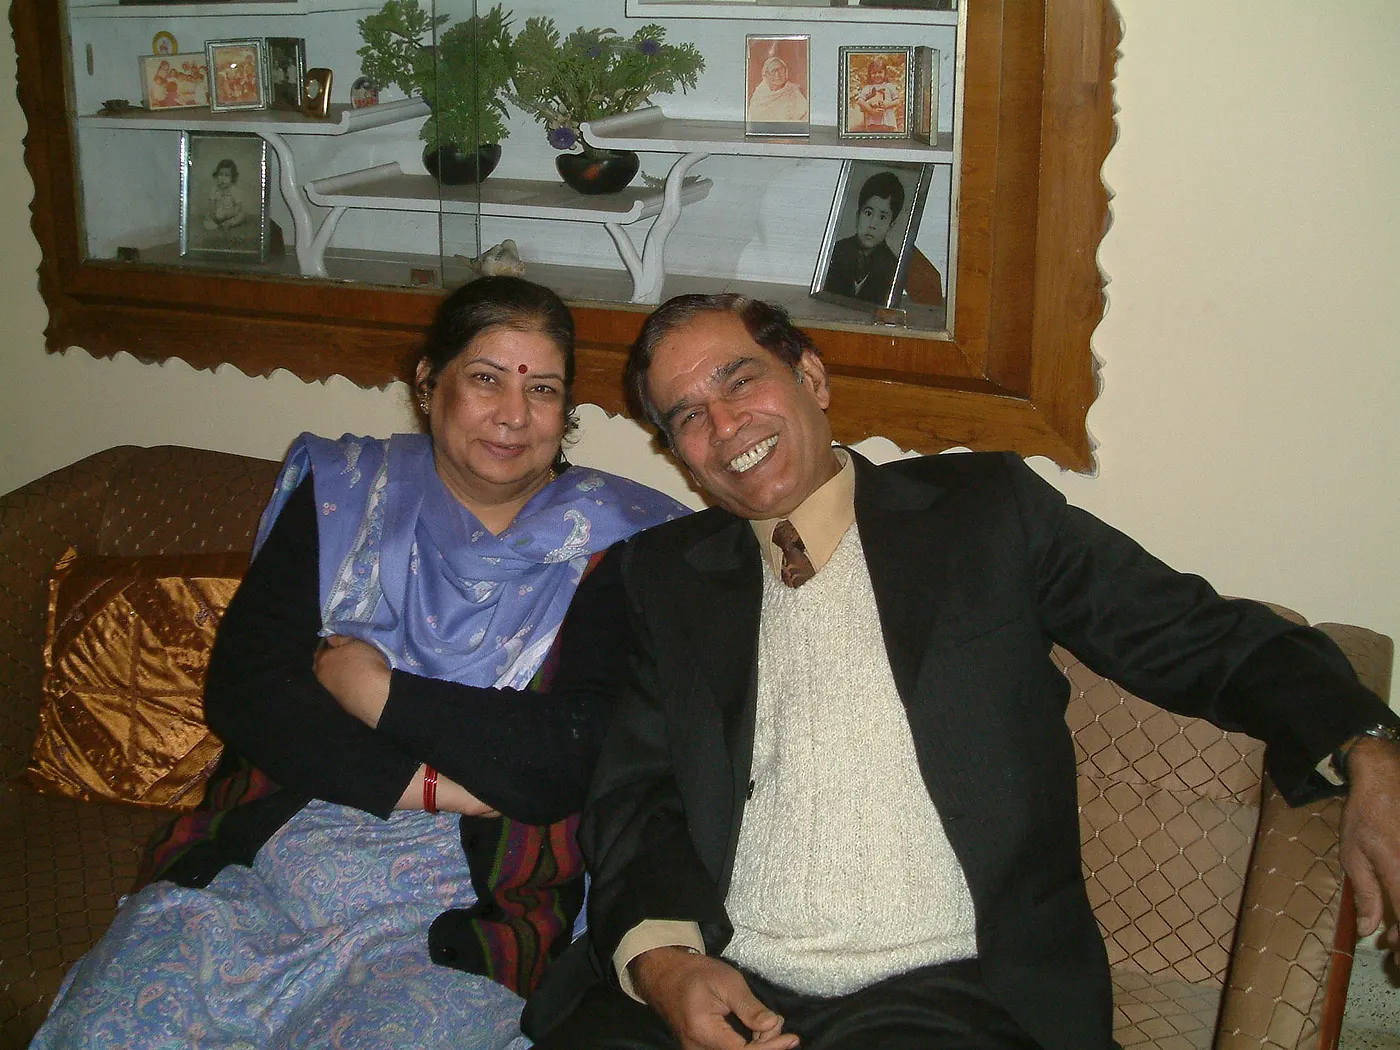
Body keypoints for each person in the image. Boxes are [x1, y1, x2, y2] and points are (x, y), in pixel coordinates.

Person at [520, 292, 1400, 1050]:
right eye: (686, 416)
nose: (723, 427)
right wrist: (666, 962)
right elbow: (635, 793)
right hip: (725, 975)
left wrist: (1365, 739)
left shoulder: (984, 515)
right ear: (679, 456)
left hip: (943, 993)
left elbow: (1192, 633)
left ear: (811, 378)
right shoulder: (663, 578)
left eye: (740, 380)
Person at [29, 276, 689, 1050]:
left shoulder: (615, 543)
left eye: (542, 388)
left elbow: (564, 757)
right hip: (258, 873)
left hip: (459, 915)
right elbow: (250, 692)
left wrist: (375, 691)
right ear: (428, 382)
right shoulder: (349, 495)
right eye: (486, 378)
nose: (514, 415)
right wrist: (447, 787)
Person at [823, 171, 904, 304]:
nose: (872, 224)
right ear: (858, 215)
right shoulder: (835, 251)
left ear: (891, 225)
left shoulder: (893, 267)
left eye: (882, 217)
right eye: (868, 213)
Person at [746, 54, 808, 125]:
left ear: (786, 72)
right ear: (765, 75)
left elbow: (804, 119)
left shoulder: (794, 92)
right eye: (773, 71)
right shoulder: (758, 96)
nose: (777, 75)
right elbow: (752, 122)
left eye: (781, 70)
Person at [851, 55, 903, 133]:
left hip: (889, 122)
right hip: (873, 123)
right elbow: (860, 101)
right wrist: (871, 111)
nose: (877, 75)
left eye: (880, 72)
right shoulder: (868, 88)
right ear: (870, 74)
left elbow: (897, 101)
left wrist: (887, 105)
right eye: (874, 73)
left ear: (885, 73)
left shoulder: (889, 86)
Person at [203, 158, 245, 233]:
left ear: (232, 178)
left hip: (230, 213)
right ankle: (215, 223)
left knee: (242, 214)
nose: (223, 179)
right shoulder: (214, 189)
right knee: (207, 215)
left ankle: (229, 223)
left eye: (227, 175)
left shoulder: (234, 190)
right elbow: (212, 203)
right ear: (217, 175)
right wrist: (213, 214)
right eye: (221, 174)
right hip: (218, 213)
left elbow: (238, 206)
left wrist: (232, 213)